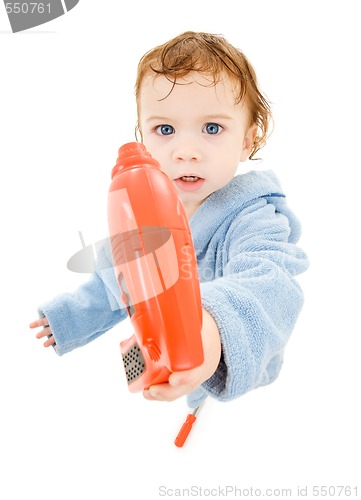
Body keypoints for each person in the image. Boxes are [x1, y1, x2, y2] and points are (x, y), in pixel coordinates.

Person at [29, 31, 309, 409]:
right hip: (172, 355)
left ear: (247, 140)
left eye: (212, 129)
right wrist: (69, 317)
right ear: (143, 138)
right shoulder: (146, 215)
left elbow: (269, 281)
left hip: (238, 360)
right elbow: (119, 280)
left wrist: (207, 331)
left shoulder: (255, 217)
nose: (185, 152)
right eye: (165, 130)